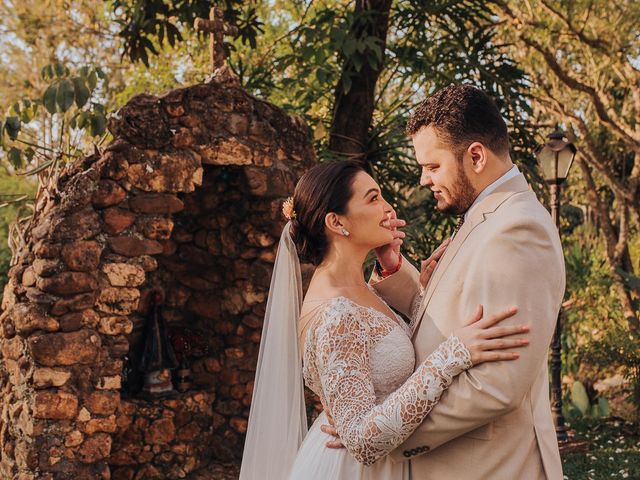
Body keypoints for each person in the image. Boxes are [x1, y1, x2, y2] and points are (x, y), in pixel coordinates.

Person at [326, 84, 565, 479]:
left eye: (433, 167)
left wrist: (385, 431)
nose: (423, 180)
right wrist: (393, 270)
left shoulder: (518, 229)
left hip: (488, 467)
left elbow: (498, 385)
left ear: (475, 155)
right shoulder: (484, 216)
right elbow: (444, 319)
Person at [239, 159, 531, 480]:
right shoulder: (337, 314)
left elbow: (397, 352)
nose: (388, 208)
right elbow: (361, 441)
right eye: (373, 198)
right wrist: (452, 356)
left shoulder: (359, 290)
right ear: (337, 222)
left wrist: (411, 278)